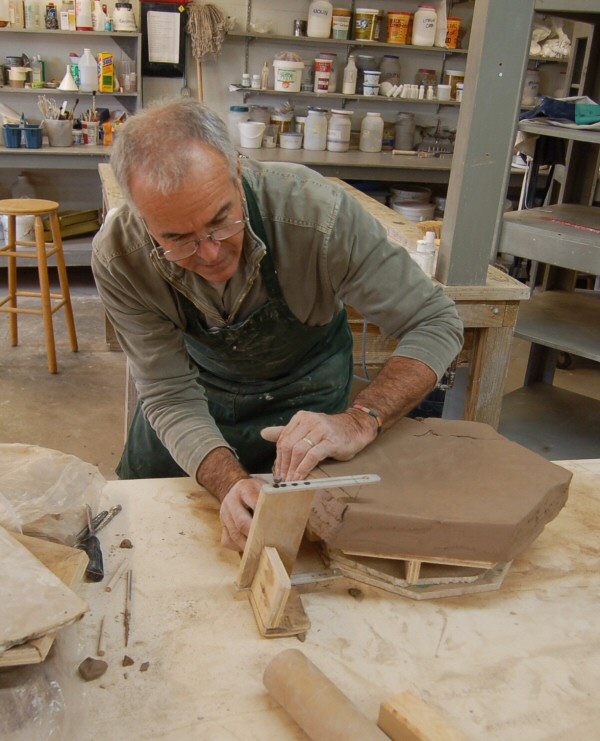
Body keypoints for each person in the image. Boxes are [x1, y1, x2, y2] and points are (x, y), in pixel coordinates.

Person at [92, 98, 463, 552]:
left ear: (237, 168)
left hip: (305, 400)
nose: (209, 253)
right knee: (140, 545)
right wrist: (227, 481)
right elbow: (168, 393)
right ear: (142, 218)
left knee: (319, 546)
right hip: (194, 402)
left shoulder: (315, 216)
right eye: (177, 239)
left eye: (220, 221)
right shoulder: (121, 257)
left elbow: (436, 320)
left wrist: (361, 418)